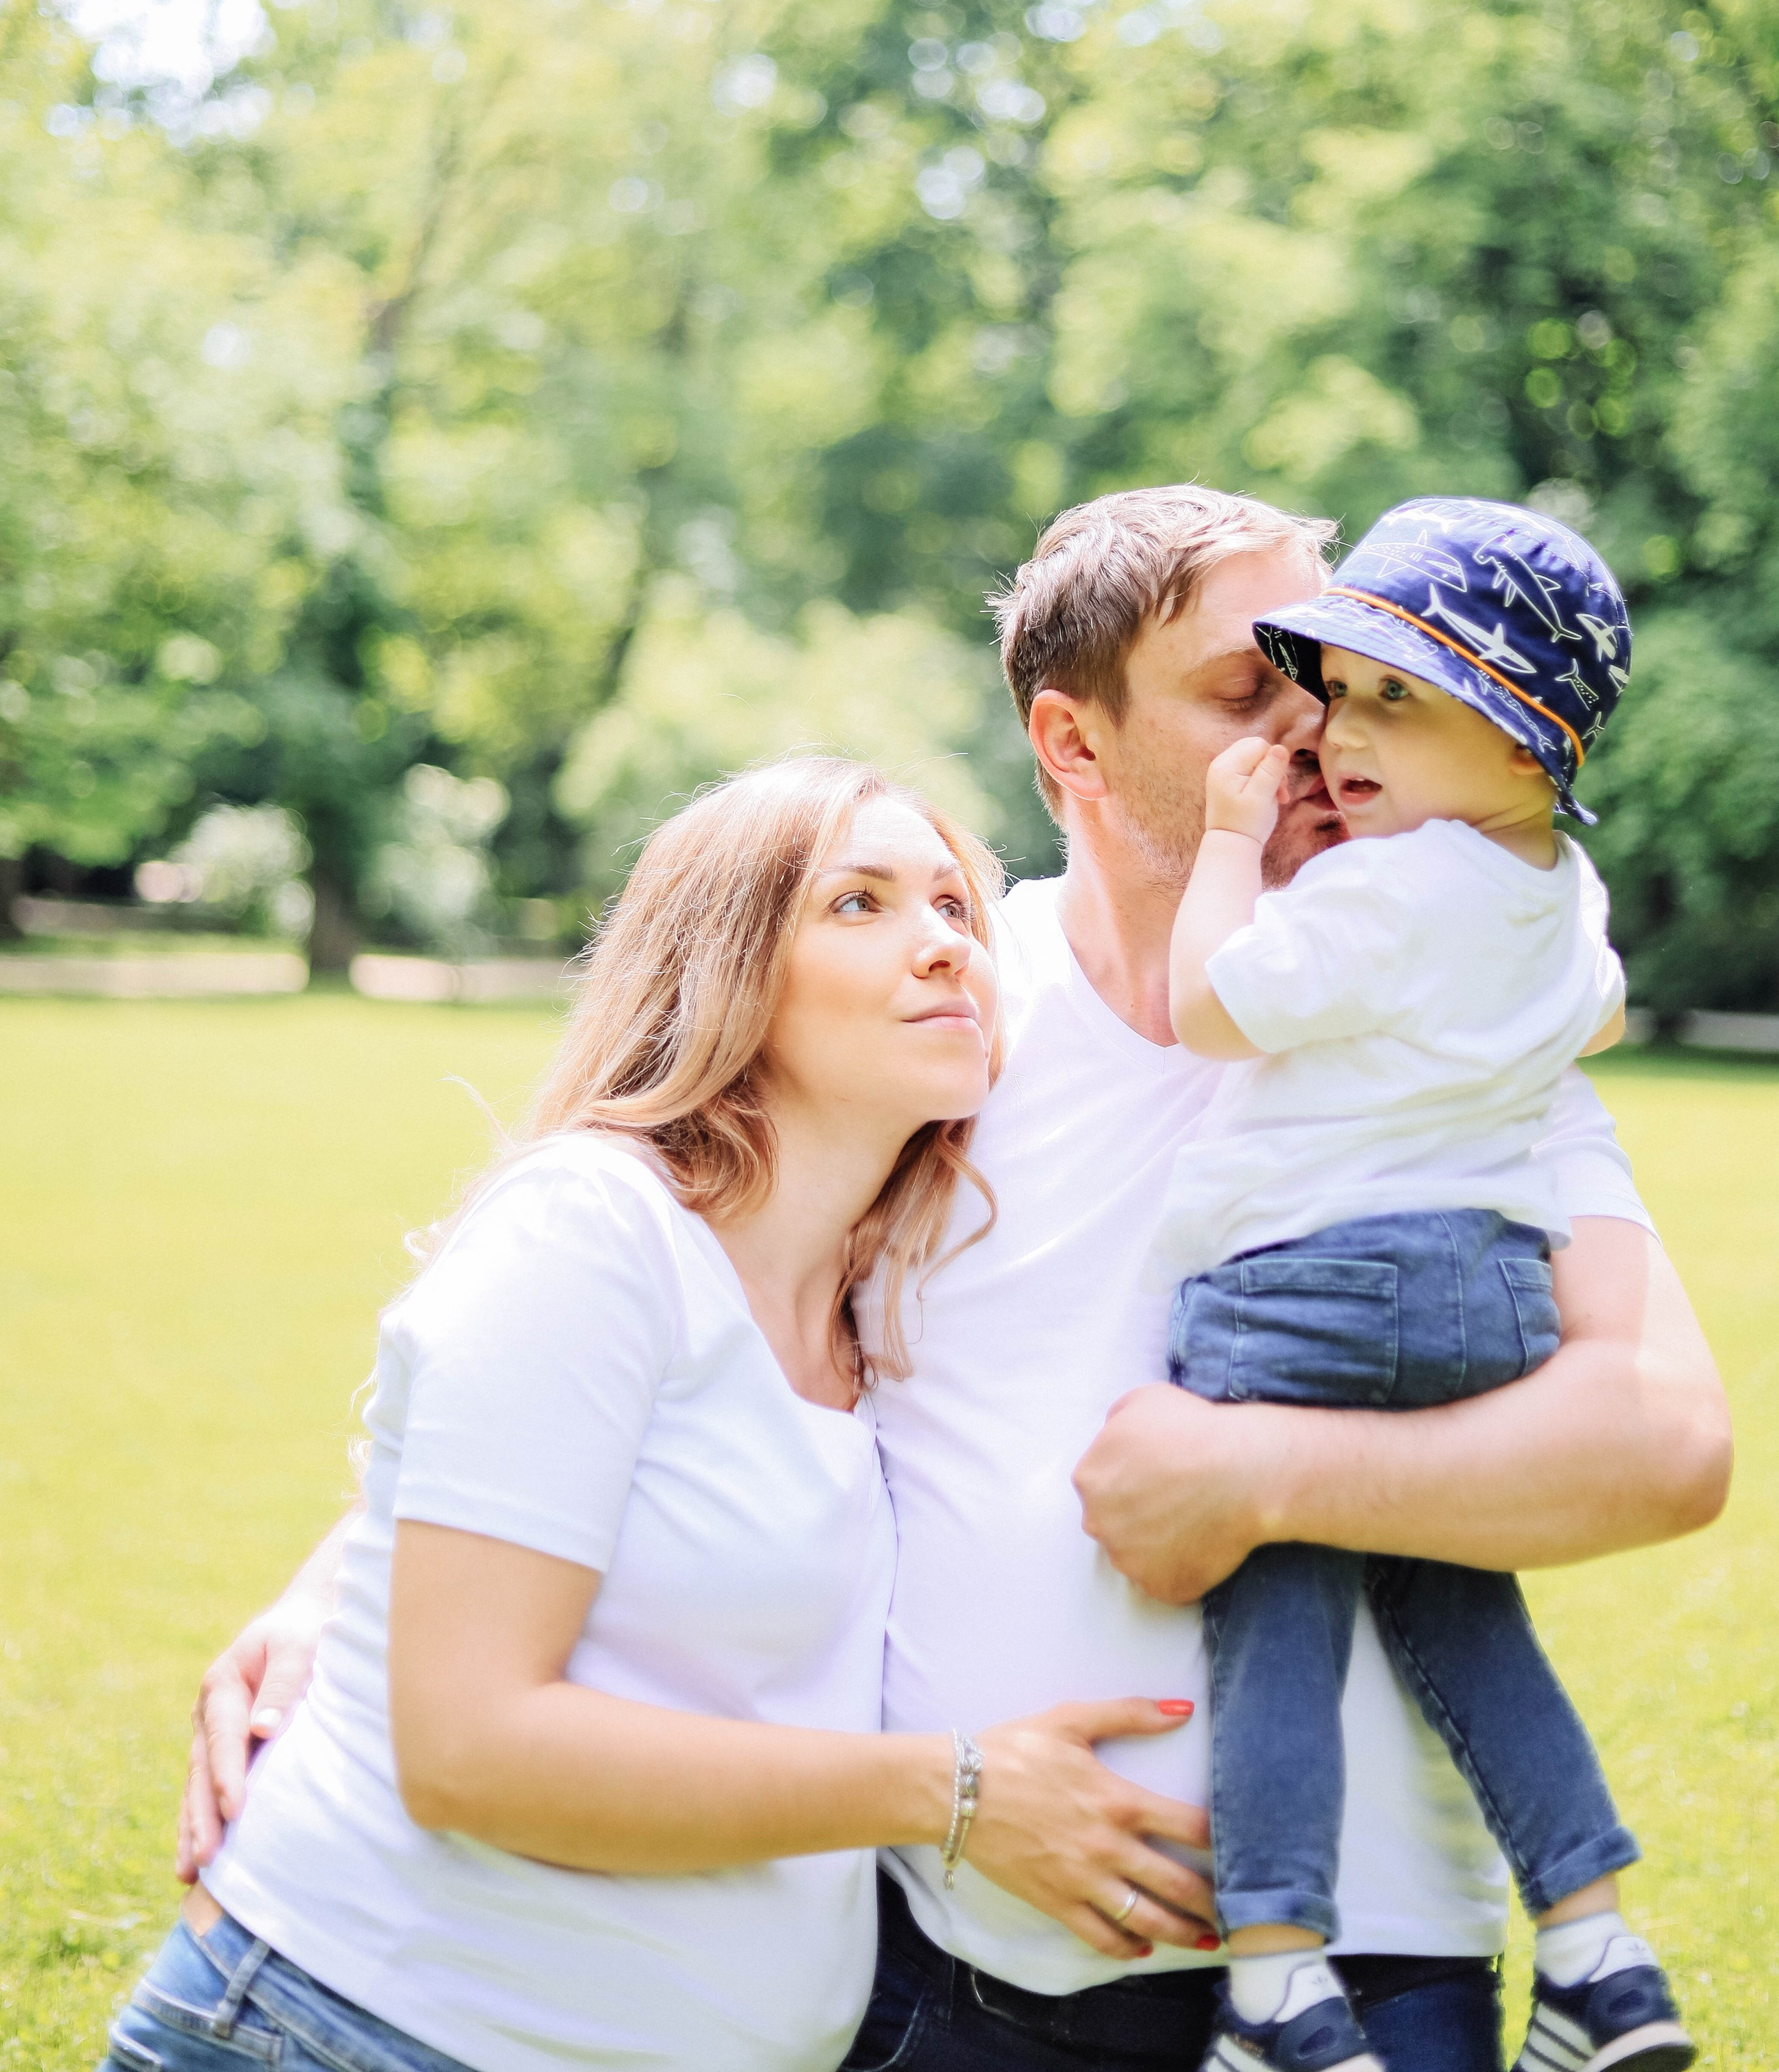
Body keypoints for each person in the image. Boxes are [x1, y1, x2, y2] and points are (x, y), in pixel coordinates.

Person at [181, 489, 1733, 2072]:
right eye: (1247, 688)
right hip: (957, 1970)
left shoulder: (1460, 1029)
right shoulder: (947, 1012)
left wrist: (1253, 1473)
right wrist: (340, 1587)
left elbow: (1665, 1441)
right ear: (1072, 744)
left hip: (1374, 1965)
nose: (1317, 730)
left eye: (1335, 681)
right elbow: (641, 1303)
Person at [110, 757, 1220, 2072]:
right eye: (857, 904)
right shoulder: (594, 1229)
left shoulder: (873, 1307)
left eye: (952, 908)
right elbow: (470, 1750)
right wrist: (960, 1787)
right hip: (357, 2026)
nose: (942, 945)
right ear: (726, 971)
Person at [1156, 497, 1691, 2072]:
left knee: (1273, 1610)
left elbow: (1209, 1007)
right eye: (1339, 691)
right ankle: (1595, 1949)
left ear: (1527, 748)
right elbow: (1596, 1014)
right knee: (1461, 1606)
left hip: (1310, 1288)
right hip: (1484, 1296)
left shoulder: (1386, 889)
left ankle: (1274, 1978)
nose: (1339, 735)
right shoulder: (1557, 892)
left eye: (1400, 697)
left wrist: (1225, 847)